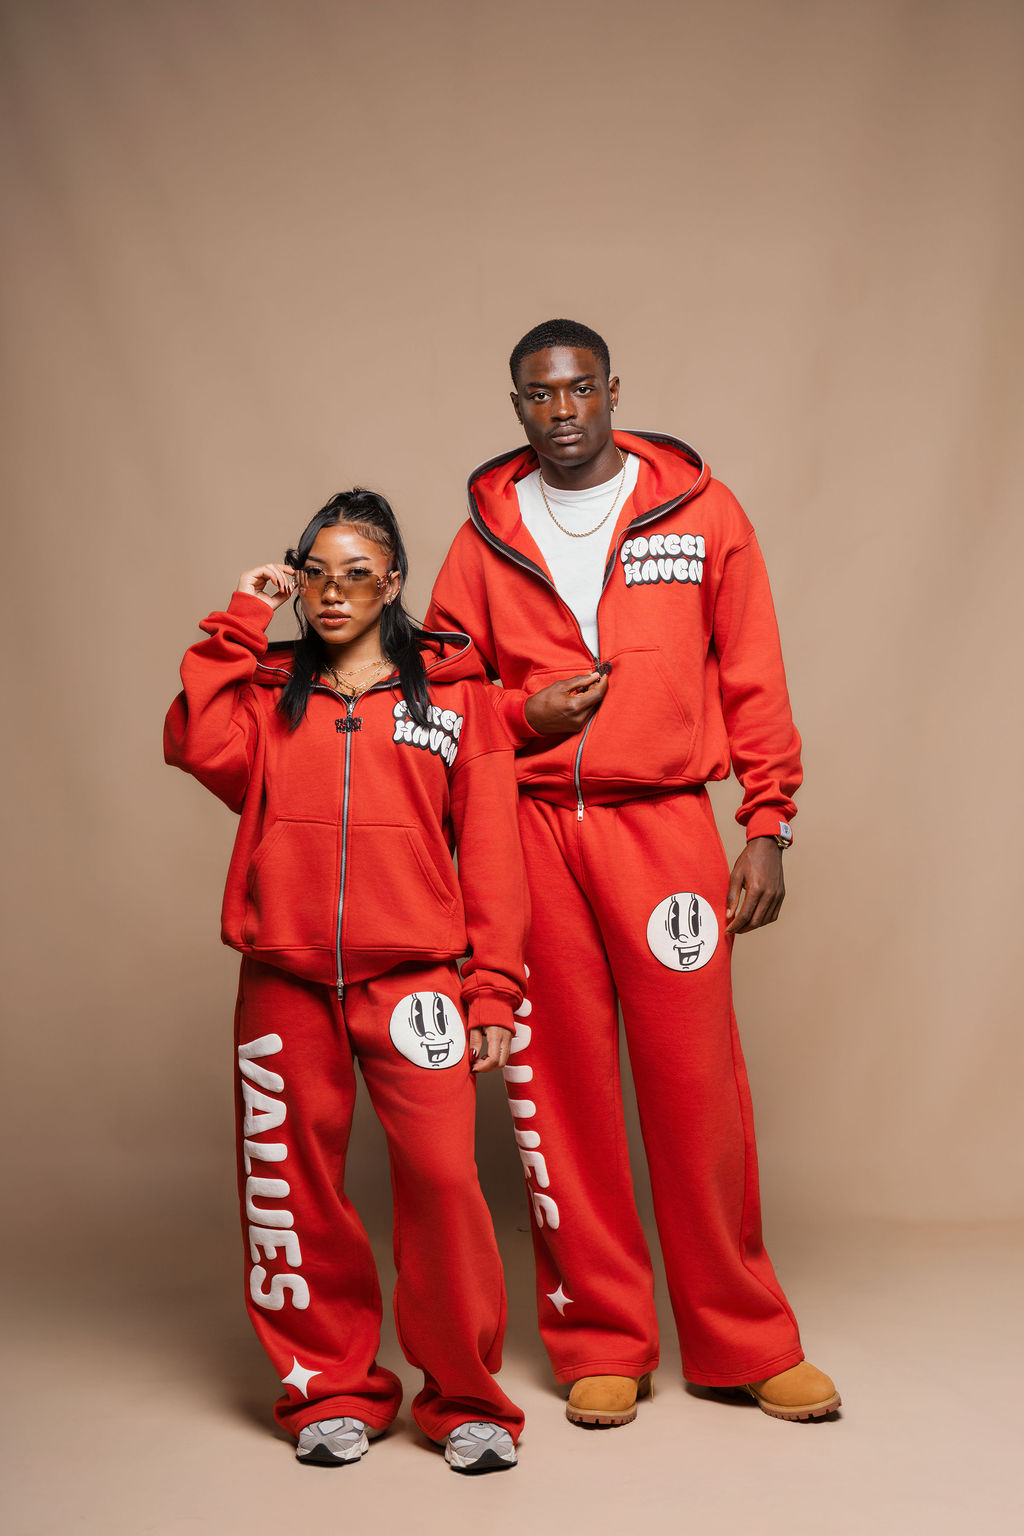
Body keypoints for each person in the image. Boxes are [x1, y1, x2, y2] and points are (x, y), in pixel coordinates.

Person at [427, 319, 839, 1428]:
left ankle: (743, 1340)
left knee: (697, 1087)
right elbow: (448, 698)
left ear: (612, 389)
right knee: (557, 1094)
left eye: (577, 390)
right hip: (529, 836)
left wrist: (767, 822)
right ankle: (602, 1337)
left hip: (663, 829)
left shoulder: (703, 512)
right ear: (516, 406)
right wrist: (525, 713)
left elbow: (753, 671)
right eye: (537, 396)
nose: (560, 412)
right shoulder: (484, 536)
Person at [165, 489, 528, 1473]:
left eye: (356, 574)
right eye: (314, 575)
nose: (332, 593)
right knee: (291, 1188)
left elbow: (493, 849)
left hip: (416, 981)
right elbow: (195, 743)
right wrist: (243, 616)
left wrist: (492, 985)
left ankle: (465, 1400)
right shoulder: (267, 690)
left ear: (393, 582)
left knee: (445, 1185)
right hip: (283, 977)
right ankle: (327, 1390)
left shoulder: (456, 697)